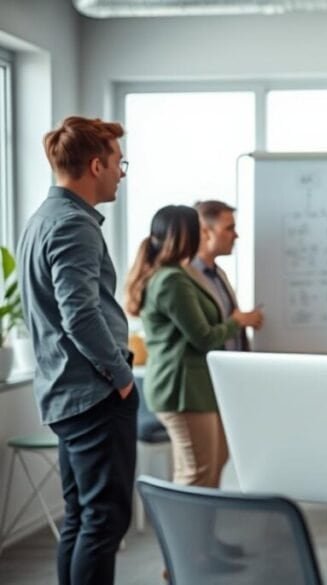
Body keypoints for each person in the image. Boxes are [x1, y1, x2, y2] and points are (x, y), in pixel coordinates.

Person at [17, 116, 136, 585]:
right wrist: (121, 378)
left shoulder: (44, 218)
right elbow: (80, 315)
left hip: (68, 395)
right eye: (117, 163)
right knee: (104, 522)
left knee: (83, 519)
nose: (121, 173)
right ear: (95, 165)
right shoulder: (73, 225)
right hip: (94, 395)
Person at [124, 205, 262, 489]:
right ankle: (186, 534)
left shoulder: (178, 274)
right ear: (185, 235)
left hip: (194, 388)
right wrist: (236, 321)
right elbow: (204, 337)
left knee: (206, 468)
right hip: (182, 389)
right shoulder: (172, 280)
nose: (203, 236)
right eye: (199, 231)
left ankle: (200, 533)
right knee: (196, 472)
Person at [192, 199, 261, 351]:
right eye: (229, 229)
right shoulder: (188, 278)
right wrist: (237, 321)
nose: (235, 235)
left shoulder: (219, 274)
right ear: (205, 232)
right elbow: (202, 336)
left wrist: (243, 319)